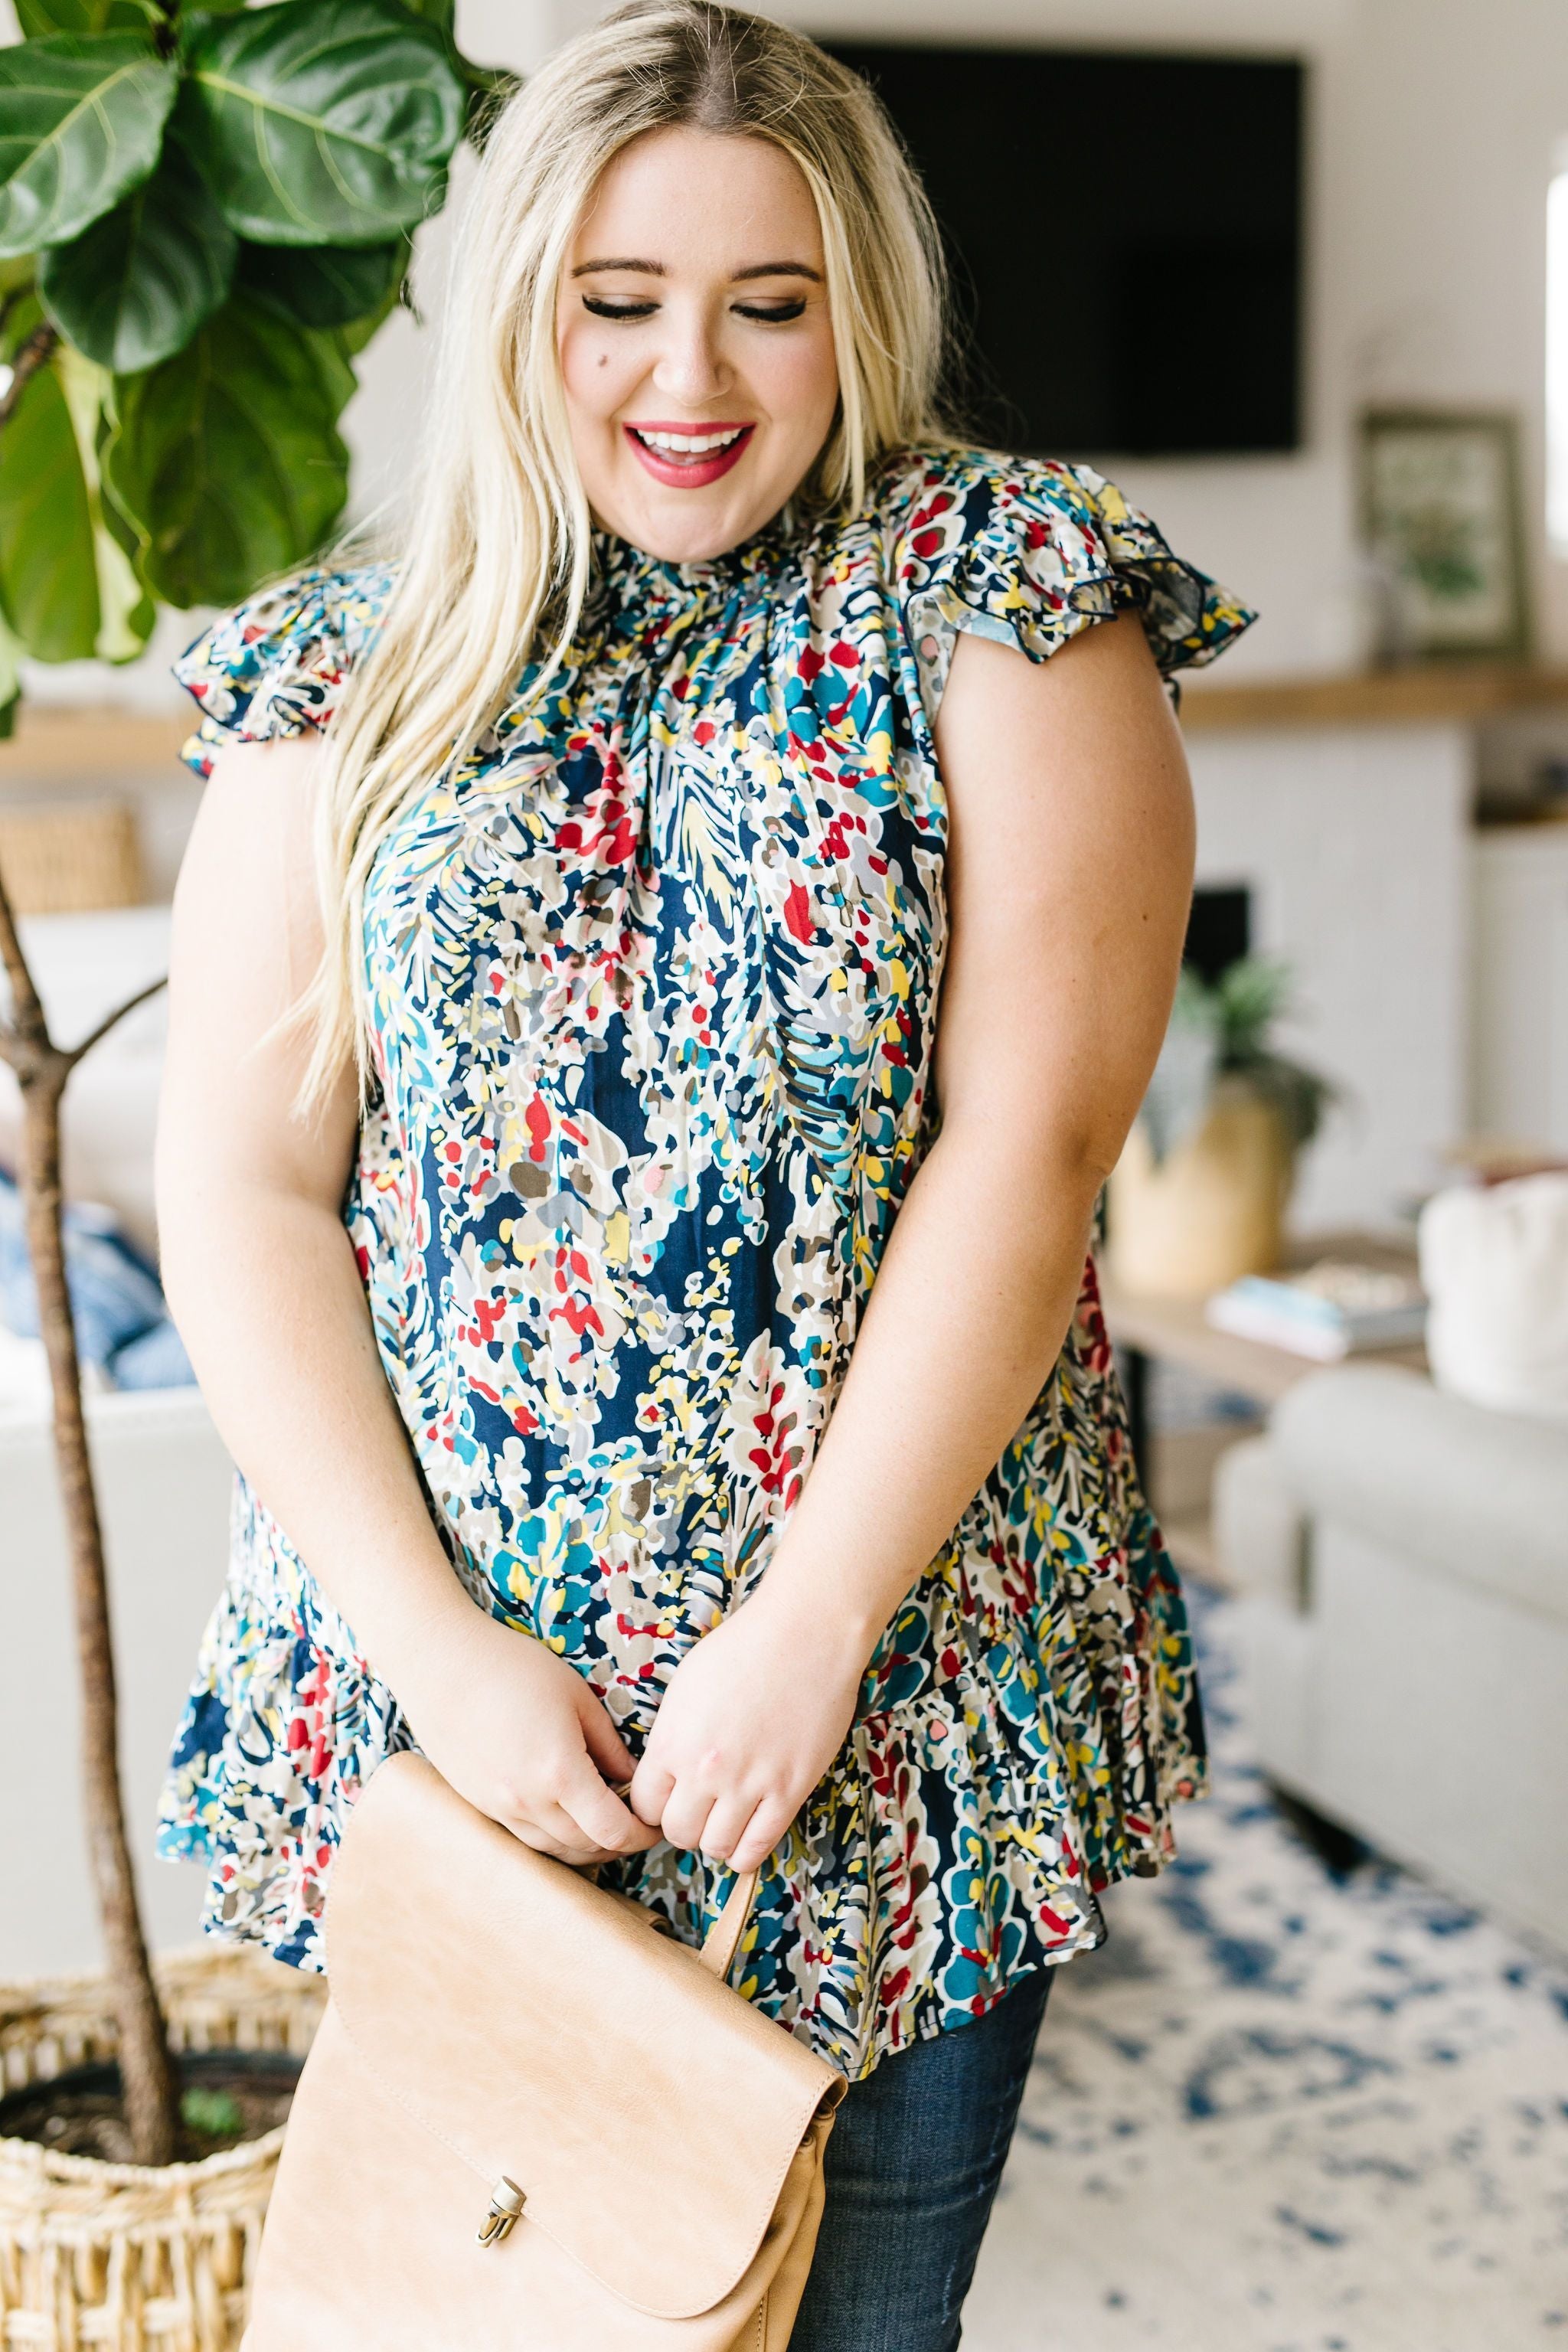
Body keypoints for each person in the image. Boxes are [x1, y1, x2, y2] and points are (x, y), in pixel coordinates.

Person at [154, 5, 1253, 2344]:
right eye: (619, 300)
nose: (696, 375)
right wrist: (443, 1662)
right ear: (520, 303)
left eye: (772, 302)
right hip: (451, 1746)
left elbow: (1029, 1151)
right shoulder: (350, 672)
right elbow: (243, 1187)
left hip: (889, 1716)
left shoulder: (1009, 605)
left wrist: (810, 1628)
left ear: (861, 303)